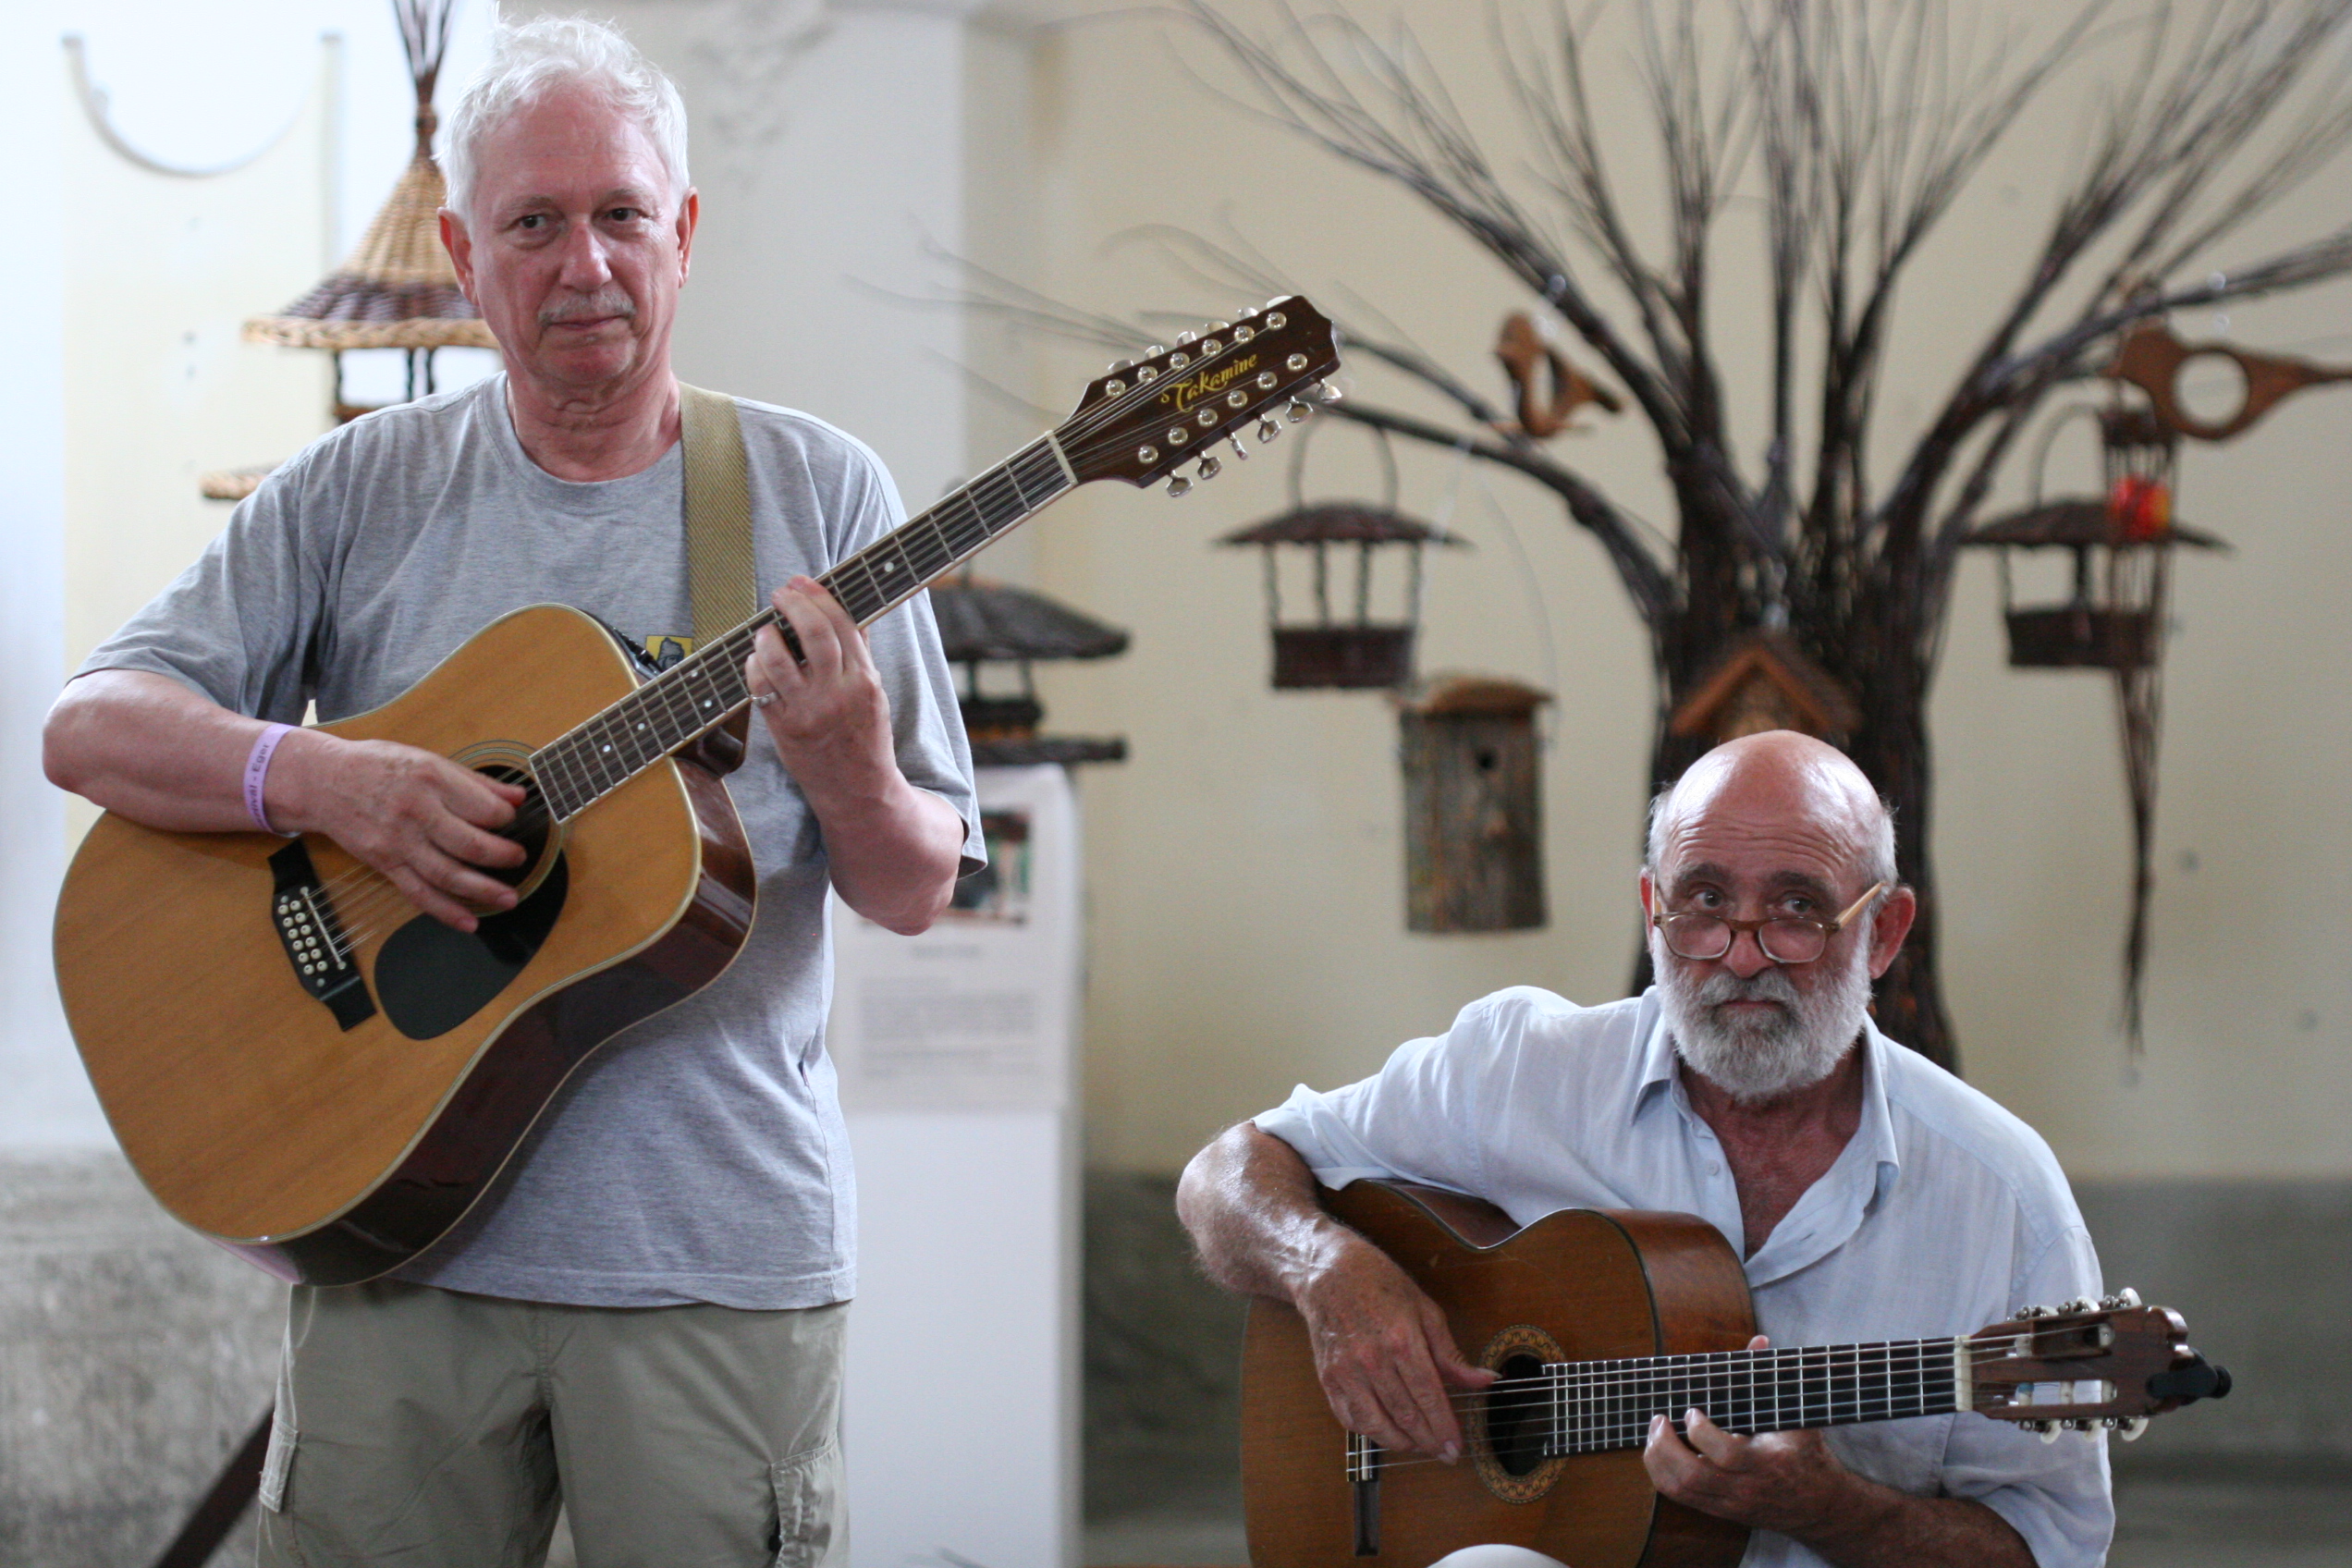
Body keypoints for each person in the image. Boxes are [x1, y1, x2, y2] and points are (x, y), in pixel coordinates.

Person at [43, 17, 977, 1566]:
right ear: (466, 258)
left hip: (712, 1263)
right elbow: (90, 726)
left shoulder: (818, 494)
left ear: (682, 233)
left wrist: (847, 764)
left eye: (621, 214)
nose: (585, 263)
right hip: (394, 1244)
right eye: (535, 223)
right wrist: (323, 779)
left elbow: (913, 888)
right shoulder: (359, 489)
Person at [1177, 730, 2113, 1568]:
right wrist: (1329, 1272)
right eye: (1703, 900)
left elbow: (2051, 1549)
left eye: (1796, 907)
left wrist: (1837, 1513)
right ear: (1649, 908)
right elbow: (1228, 1171)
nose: (1741, 954)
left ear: (1884, 932)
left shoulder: (2003, 1197)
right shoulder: (1522, 1068)